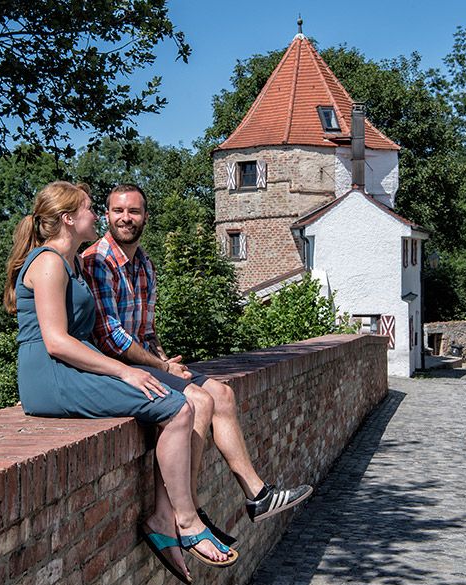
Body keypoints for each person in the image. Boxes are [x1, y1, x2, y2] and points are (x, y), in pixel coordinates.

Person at [4, 181, 236, 585]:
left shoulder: (71, 261)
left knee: (180, 400)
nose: (97, 216)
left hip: (70, 372)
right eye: (91, 209)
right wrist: (124, 370)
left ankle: (177, 517)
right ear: (68, 219)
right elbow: (56, 342)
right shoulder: (48, 263)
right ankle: (182, 520)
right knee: (176, 407)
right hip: (51, 378)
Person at [82, 184, 313, 544]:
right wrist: (162, 367)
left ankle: (257, 495)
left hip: (146, 364)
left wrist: (163, 358)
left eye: (134, 211)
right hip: (119, 371)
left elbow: (146, 330)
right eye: (117, 211)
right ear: (107, 215)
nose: (126, 218)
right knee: (200, 401)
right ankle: (182, 510)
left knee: (222, 393)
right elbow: (111, 337)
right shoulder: (98, 260)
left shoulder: (144, 263)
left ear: (145, 216)